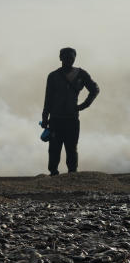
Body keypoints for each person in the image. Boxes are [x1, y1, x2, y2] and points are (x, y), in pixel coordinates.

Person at [41, 47, 99, 175]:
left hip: (72, 119)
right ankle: (53, 173)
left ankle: (72, 174)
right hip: (56, 119)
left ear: (75, 58)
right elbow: (48, 98)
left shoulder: (81, 74)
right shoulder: (53, 76)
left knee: (71, 149)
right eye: (66, 57)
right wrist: (45, 118)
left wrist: (84, 105)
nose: (69, 60)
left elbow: (95, 89)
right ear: (60, 58)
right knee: (54, 149)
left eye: (71, 57)